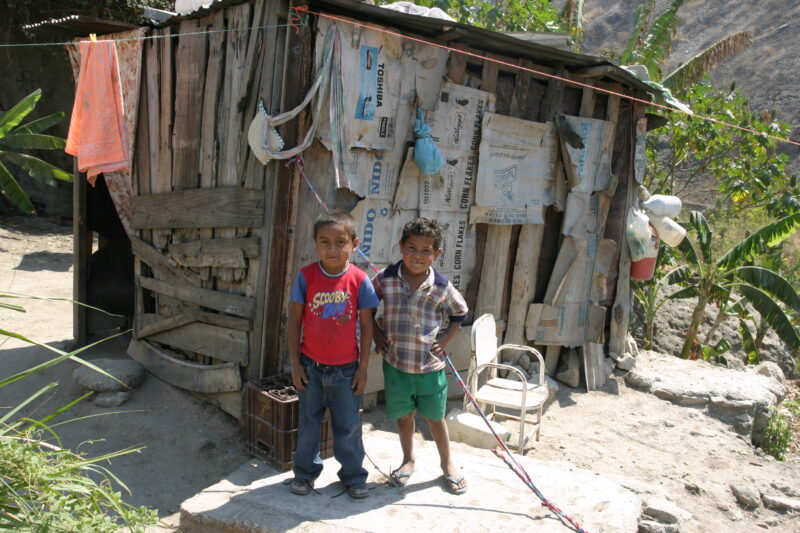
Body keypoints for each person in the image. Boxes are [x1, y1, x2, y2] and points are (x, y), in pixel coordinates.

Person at [372, 217, 469, 495]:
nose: (417, 255)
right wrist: (377, 333)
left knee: (435, 418)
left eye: (426, 250)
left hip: (430, 366)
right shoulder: (386, 278)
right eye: (411, 247)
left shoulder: (440, 285)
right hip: (397, 364)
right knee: (404, 417)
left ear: (436, 254)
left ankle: (448, 464)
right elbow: (366, 304)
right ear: (401, 247)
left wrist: (447, 339)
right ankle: (407, 460)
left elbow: (459, 312)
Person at [288, 210, 379, 499]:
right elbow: (293, 322)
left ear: (353, 244)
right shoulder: (306, 277)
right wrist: (295, 365)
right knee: (308, 424)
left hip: (346, 371)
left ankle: (353, 477)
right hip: (310, 368)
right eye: (324, 242)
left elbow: (367, 327)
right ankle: (304, 474)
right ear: (315, 244)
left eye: (340, 242)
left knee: (349, 426)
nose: (332, 249)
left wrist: (363, 368)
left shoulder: (359, 280)